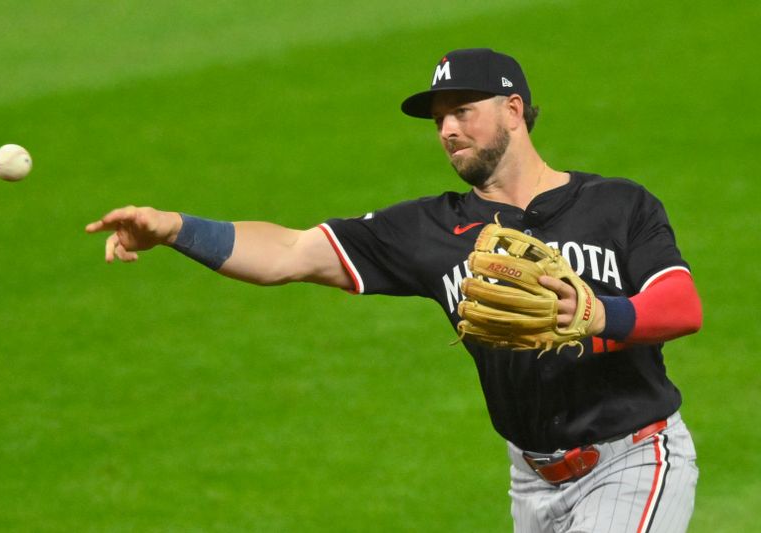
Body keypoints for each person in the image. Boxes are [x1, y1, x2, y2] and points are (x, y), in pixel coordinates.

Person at [86, 48, 703, 532]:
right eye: (440, 120)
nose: (448, 130)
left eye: (464, 110)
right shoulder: (431, 229)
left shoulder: (617, 205)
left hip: (633, 459)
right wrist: (173, 229)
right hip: (532, 481)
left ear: (514, 110)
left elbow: (682, 305)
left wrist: (600, 313)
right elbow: (289, 253)